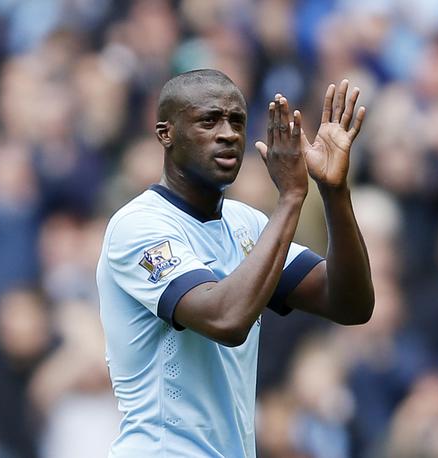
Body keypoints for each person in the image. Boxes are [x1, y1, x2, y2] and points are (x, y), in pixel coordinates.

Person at [96, 69, 374, 457]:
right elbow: (226, 320)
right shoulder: (138, 226)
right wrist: (292, 197)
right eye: (208, 120)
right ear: (166, 133)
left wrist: (333, 191)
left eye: (237, 121)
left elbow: (349, 304)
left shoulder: (247, 224)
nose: (227, 133)